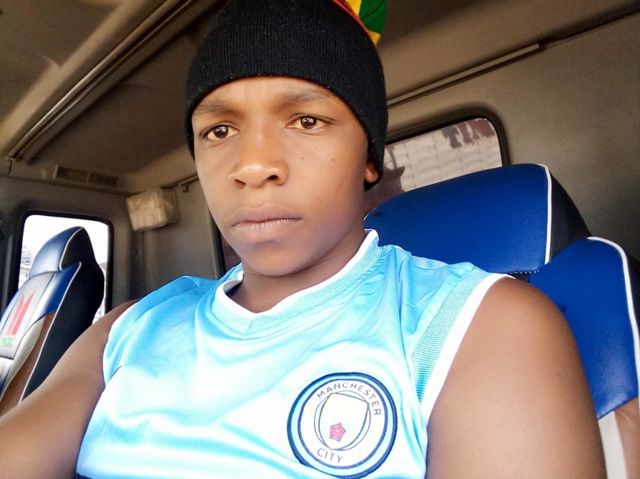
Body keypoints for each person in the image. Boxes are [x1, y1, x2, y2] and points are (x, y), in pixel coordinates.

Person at [0, 1, 605, 478]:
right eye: (219, 130)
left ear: (369, 157)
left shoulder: (478, 325)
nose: (252, 164)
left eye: (306, 120)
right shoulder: (127, 329)